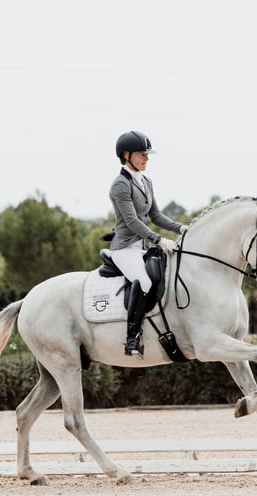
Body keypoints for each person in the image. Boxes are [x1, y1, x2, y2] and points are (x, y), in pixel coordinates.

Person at [108, 130, 188, 357]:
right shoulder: (120, 185)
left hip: (142, 248)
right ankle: (132, 338)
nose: (146, 158)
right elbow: (132, 221)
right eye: (142, 154)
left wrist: (181, 228)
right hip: (125, 248)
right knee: (143, 282)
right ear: (126, 155)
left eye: (147, 154)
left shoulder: (146, 181)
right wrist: (159, 239)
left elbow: (156, 216)